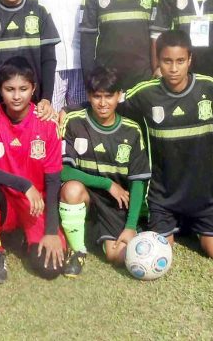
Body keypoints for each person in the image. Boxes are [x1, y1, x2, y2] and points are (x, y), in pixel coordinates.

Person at [119, 30, 213, 259]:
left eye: (180, 61)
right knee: (163, 250)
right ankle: (171, 221)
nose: (173, 68)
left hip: (203, 194)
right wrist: (66, 110)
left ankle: (192, 223)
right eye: (167, 61)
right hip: (163, 196)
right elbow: (108, 102)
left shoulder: (209, 88)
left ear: (190, 60)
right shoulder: (146, 93)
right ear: (158, 61)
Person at [0, 57, 66, 284]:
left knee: (50, 269)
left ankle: (28, 237)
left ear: (33, 89)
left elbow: (53, 180)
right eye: (9, 89)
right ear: (0, 90)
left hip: (35, 206)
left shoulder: (47, 123)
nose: (16, 95)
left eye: (23, 89)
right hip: (4, 202)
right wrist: (24, 185)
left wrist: (51, 232)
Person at [58, 66, 151, 275]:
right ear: (89, 96)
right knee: (71, 189)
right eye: (97, 96)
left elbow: (138, 182)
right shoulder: (74, 122)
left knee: (117, 256)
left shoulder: (131, 130)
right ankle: (77, 250)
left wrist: (130, 226)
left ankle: (116, 232)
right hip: (88, 195)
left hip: (113, 204)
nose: (102, 103)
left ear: (119, 96)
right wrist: (107, 184)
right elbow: (63, 171)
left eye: (109, 96)